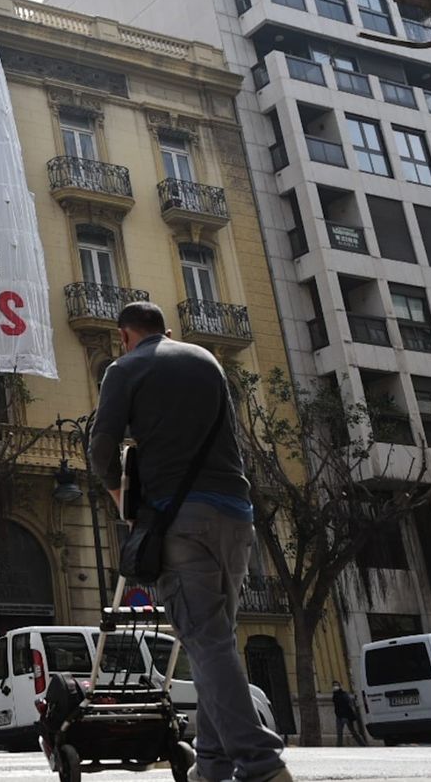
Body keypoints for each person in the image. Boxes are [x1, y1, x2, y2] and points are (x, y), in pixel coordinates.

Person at [89, 302, 291, 782]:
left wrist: (124, 502)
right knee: (214, 642)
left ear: (123, 335)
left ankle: (261, 764)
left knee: (206, 640)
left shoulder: (124, 368)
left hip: (181, 520)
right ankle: (213, 765)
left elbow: (101, 448)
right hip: (237, 515)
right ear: (169, 331)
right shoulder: (206, 360)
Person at [332, 680, 368, 746]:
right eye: (334, 685)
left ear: (339, 686)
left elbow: (349, 704)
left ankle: (362, 744)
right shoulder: (334, 695)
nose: (335, 687)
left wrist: (347, 715)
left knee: (352, 731)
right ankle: (339, 746)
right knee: (340, 732)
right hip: (339, 716)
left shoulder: (343, 694)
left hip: (346, 716)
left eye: (336, 685)